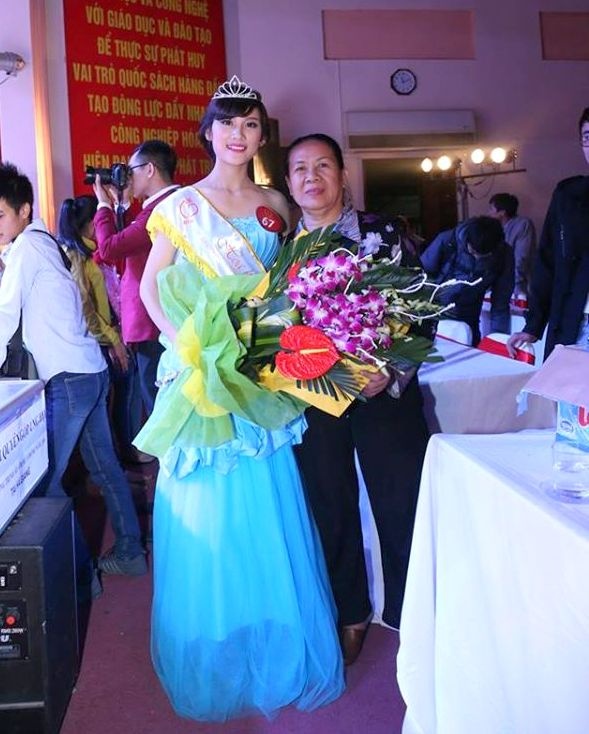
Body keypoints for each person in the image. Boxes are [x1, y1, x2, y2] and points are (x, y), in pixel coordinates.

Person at [133, 77, 344, 721]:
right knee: (208, 508)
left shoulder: (276, 203)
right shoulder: (180, 205)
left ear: (260, 136)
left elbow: (283, 289)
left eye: (250, 125)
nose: (238, 135)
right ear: (208, 132)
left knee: (265, 505)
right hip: (203, 373)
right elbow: (150, 289)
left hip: (256, 373)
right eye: (227, 123)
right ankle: (213, 641)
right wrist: (190, 347)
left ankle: (269, 634)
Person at [284, 132, 431, 664]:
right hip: (317, 397)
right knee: (330, 505)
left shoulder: (381, 232)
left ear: (343, 175)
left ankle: (412, 613)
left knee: (401, 504)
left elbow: (421, 308)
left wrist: (389, 371)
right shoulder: (282, 250)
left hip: (382, 393)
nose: (313, 177)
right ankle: (350, 611)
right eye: (301, 169)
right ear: (289, 183)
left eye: (324, 165)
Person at [0, 163, 146, 598]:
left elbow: (4, 315)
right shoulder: (42, 242)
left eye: (0, 215)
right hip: (90, 372)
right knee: (105, 467)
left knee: (43, 487)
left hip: (68, 380)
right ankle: (130, 552)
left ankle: (81, 576)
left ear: (24, 210)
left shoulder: (28, 248)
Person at [93, 140, 179, 460]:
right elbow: (125, 249)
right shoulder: (161, 206)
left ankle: (171, 473)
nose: (127, 178)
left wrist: (103, 206)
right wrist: (121, 205)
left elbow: (109, 249)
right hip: (154, 321)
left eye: (131, 171)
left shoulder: (163, 209)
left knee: (161, 405)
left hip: (154, 322)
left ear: (150, 169)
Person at [508, 108, 589, 360]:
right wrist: (534, 324)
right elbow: (548, 260)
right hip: (574, 322)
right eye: (588, 137)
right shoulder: (568, 194)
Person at [58, 195, 135, 458]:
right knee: (113, 402)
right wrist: (113, 339)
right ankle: (125, 455)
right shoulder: (77, 258)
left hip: (104, 338)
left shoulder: (86, 254)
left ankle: (124, 456)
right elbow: (86, 311)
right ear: (92, 225)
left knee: (120, 397)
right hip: (96, 343)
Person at [421, 215, 514, 345]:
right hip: (433, 314)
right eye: (473, 252)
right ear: (467, 240)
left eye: (483, 256)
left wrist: (499, 341)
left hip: (469, 317)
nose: (477, 258)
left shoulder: (503, 255)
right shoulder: (447, 241)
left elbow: (501, 302)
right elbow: (420, 276)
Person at [489, 192, 537, 300]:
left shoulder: (523, 224)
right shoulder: (495, 227)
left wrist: (515, 284)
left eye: (491, 209)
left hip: (518, 284)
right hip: (498, 284)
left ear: (502, 212)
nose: (489, 213)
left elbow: (521, 258)